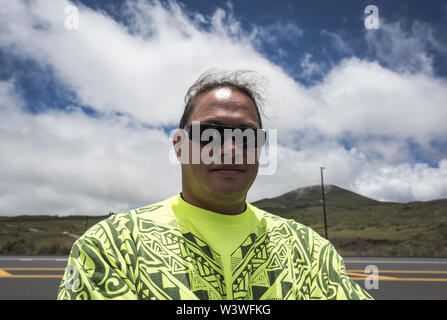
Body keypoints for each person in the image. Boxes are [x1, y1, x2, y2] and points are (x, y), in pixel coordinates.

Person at [57, 69, 373, 300]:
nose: (231, 148)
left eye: (247, 137)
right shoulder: (112, 247)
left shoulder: (309, 252)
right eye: (210, 133)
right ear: (179, 145)